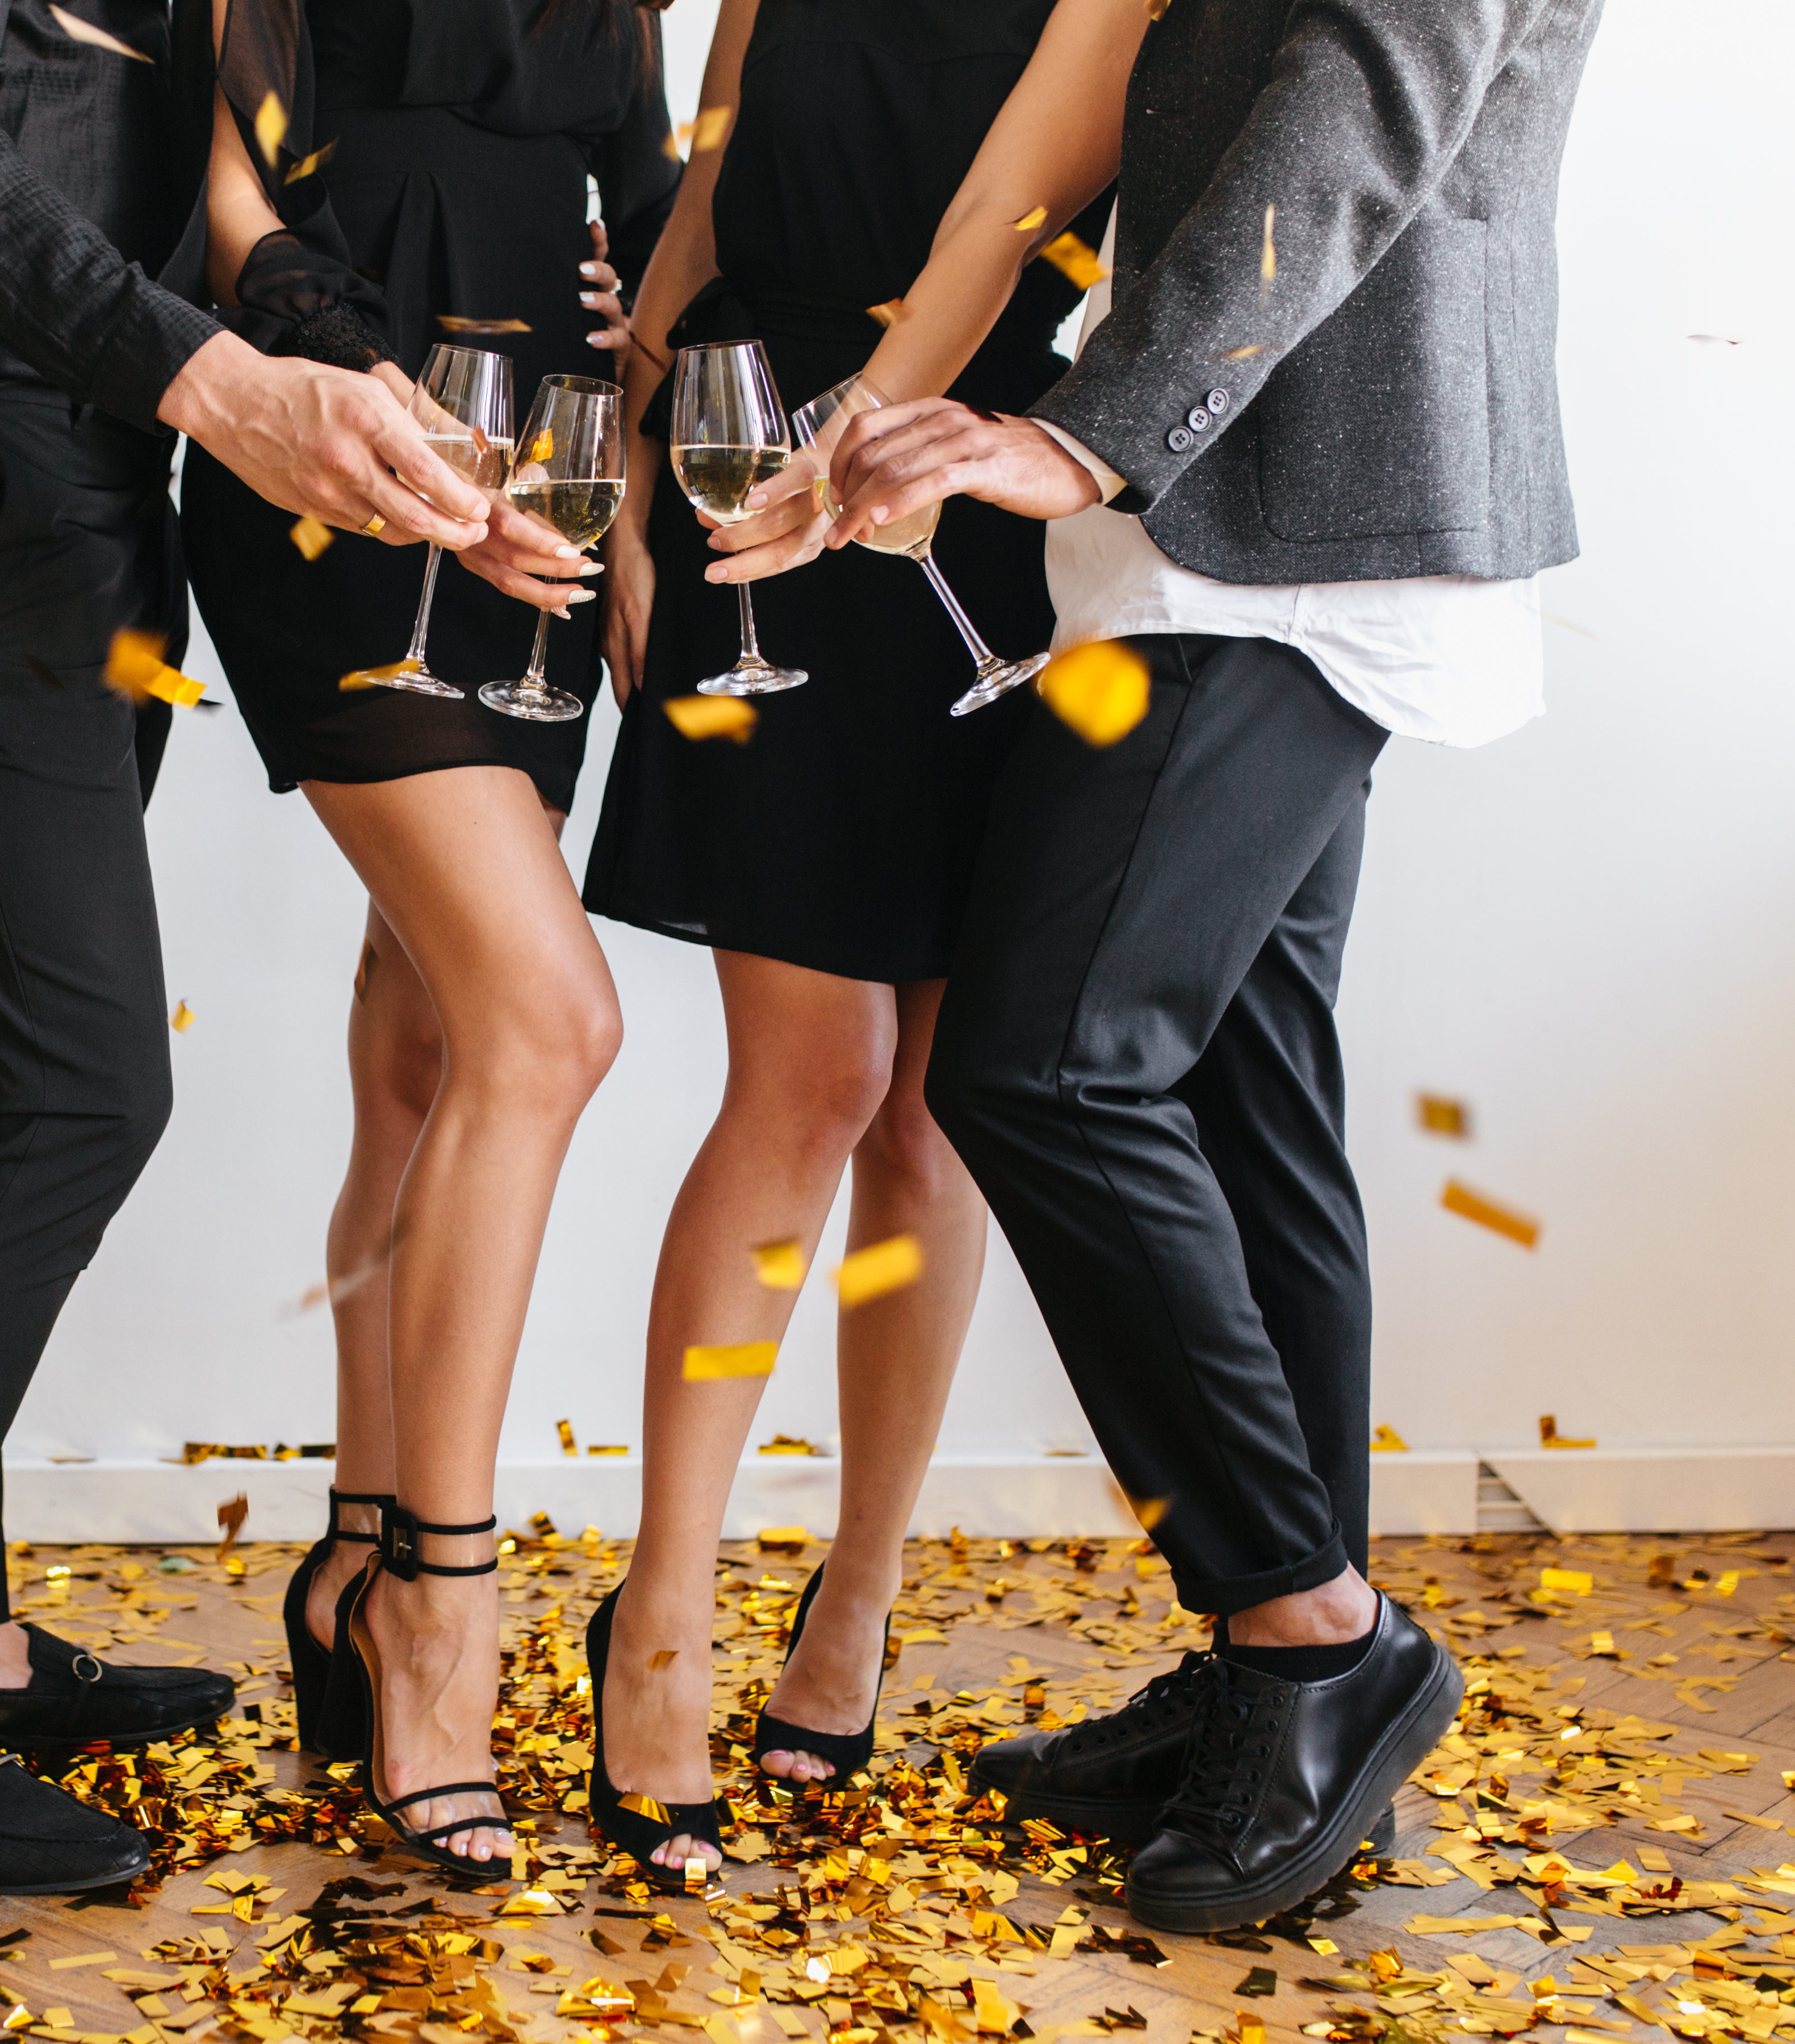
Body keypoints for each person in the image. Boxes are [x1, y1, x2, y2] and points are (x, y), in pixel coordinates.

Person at [826, 0, 1601, 1931]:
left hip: (1308, 506)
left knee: (1047, 1066)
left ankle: (1315, 1634)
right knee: (1247, 1096)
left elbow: (1364, 103)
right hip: (1257, 501)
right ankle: (1279, 1670)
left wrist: (1084, 434)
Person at [0, 0, 511, 1897]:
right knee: (78, 1081)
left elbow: (222, 202)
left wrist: (375, 394)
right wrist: (213, 384)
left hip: (95, 493)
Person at [573, 0, 1145, 1877]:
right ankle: (660, 1612)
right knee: (812, 1082)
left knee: (939, 1113)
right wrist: (639, 457)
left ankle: (862, 1588)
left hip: (976, 496)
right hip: (757, 478)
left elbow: (1043, 227)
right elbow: (712, 189)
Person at [185, 0, 674, 1875]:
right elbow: (204, 180)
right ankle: (437, 1620)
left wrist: (630, 471)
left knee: (431, 1041)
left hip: (542, 475)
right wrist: (370, 388)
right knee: (548, 1025)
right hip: (345, 449)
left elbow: (648, 193)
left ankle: (356, 1545)